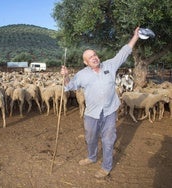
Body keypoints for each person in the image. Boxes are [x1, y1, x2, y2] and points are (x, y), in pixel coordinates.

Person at [60, 27, 140, 178]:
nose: (94, 58)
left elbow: (124, 52)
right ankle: (91, 157)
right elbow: (69, 86)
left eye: (95, 54)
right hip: (91, 113)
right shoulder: (82, 75)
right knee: (90, 138)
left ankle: (106, 167)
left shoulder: (110, 65)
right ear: (86, 62)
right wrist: (65, 76)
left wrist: (135, 37)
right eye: (90, 57)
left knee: (108, 139)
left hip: (110, 111)